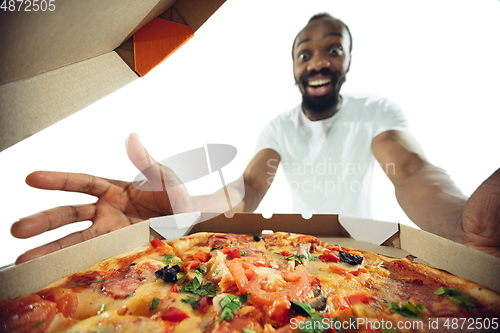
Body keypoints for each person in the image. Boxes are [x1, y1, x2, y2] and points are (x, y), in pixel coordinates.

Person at [11, 14, 500, 263]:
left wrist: (459, 226)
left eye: (333, 49)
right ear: (294, 66)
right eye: (305, 52)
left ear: (347, 61)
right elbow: (246, 191)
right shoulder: (279, 130)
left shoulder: (375, 114)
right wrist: (187, 215)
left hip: (372, 252)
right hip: (297, 251)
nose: (318, 61)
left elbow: (409, 171)